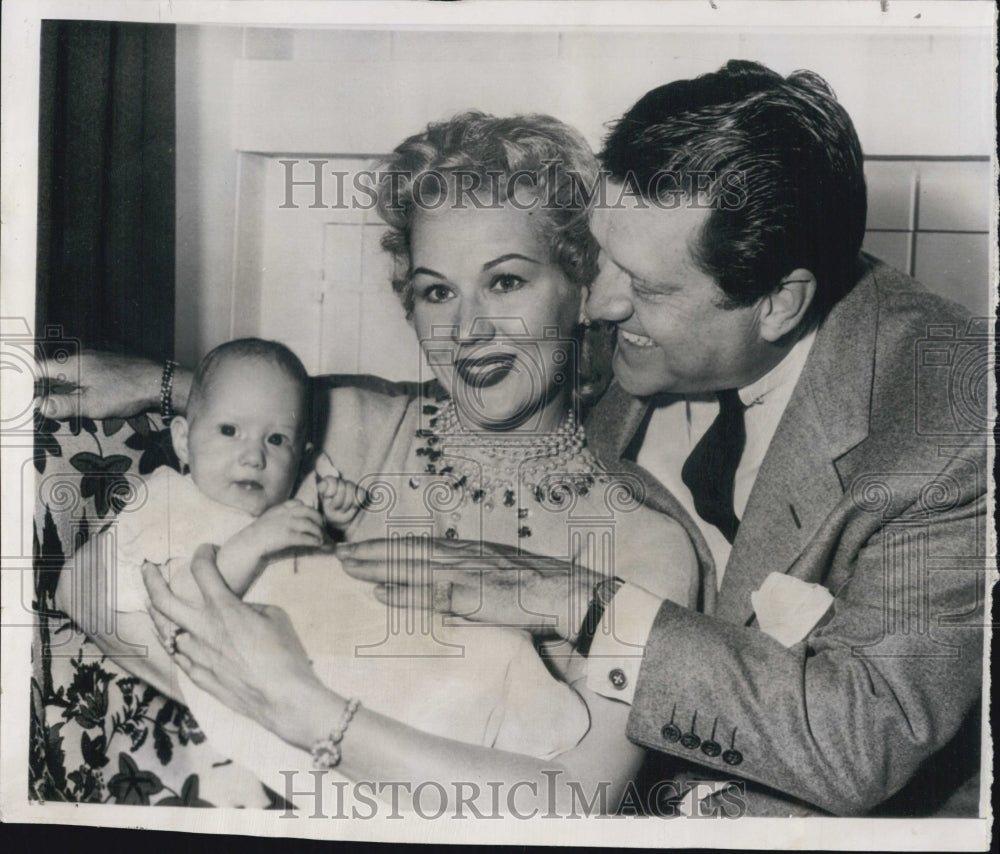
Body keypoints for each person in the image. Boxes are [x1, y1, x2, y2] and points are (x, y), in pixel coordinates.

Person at [49, 112, 702, 814]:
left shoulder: (647, 548)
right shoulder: (350, 427)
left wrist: (306, 710)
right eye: (437, 291)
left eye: (506, 282)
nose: (467, 330)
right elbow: (231, 438)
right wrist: (154, 383)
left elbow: (575, 803)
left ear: (582, 289)